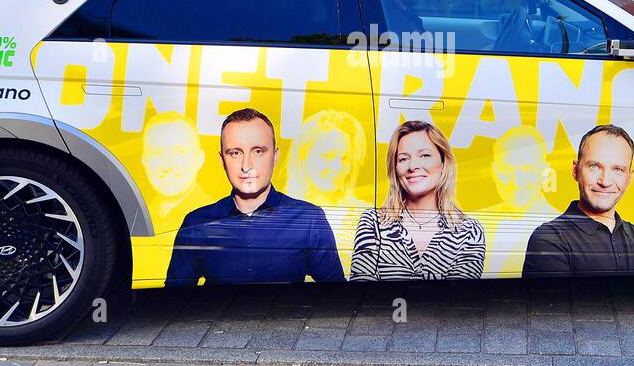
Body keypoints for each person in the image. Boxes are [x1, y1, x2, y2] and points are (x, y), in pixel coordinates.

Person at [167, 108, 344, 285]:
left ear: (275, 156)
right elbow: (172, 304)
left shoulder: (309, 219)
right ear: (222, 160)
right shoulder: (196, 224)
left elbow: (338, 299)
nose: (246, 165)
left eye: (258, 151)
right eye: (235, 153)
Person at [522, 124, 634, 277]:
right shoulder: (548, 239)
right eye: (594, 166)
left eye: (618, 170)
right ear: (576, 170)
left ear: (629, 178)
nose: (605, 181)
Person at [351, 120, 485, 280]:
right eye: (403, 159)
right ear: (394, 169)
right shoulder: (372, 222)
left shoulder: (469, 231)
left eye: (425, 155)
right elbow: (362, 289)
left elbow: (460, 298)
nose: (412, 166)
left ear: (444, 163)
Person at [283, 109, 370, 274]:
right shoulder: (276, 211)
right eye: (328, 156)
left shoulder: (366, 216)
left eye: (345, 158)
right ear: (303, 156)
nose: (338, 168)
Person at [478, 126, 561, 278]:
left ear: (544, 172)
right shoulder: (473, 223)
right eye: (506, 169)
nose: (516, 180)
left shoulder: (563, 231)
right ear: (494, 172)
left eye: (527, 169)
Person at [140, 112, 209, 232]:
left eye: (179, 152)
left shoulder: (216, 220)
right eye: (156, 153)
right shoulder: (136, 220)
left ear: (200, 159)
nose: (166, 165)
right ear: (144, 161)